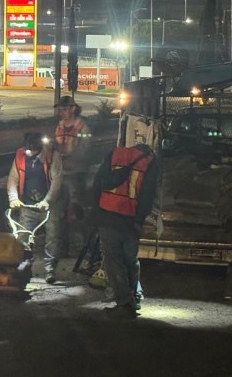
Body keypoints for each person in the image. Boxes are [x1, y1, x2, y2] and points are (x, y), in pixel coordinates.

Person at [89, 143, 159, 319]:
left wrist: (96, 212)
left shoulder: (115, 154)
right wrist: (139, 221)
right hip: (130, 219)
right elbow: (147, 194)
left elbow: (98, 184)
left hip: (108, 216)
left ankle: (125, 302)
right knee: (130, 260)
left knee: (114, 261)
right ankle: (133, 297)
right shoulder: (150, 162)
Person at [6, 132, 64, 284]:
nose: (29, 153)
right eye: (28, 150)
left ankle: (50, 268)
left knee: (52, 237)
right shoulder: (20, 155)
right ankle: (23, 268)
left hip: (49, 206)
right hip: (28, 204)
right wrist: (13, 198)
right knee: (22, 237)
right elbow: (13, 178)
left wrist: (47, 201)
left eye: (32, 151)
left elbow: (57, 181)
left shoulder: (52, 156)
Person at [53, 95, 91, 254]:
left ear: (72, 109)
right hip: (62, 173)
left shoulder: (82, 127)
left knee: (78, 209)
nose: (62, 111)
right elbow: (56, 144)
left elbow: (84, 149)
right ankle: (63, 247)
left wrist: (71, 156)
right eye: (61, 109)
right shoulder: (60, 126)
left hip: (76, 173)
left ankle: (87, 245)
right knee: (60, 211)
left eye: (64, 108)